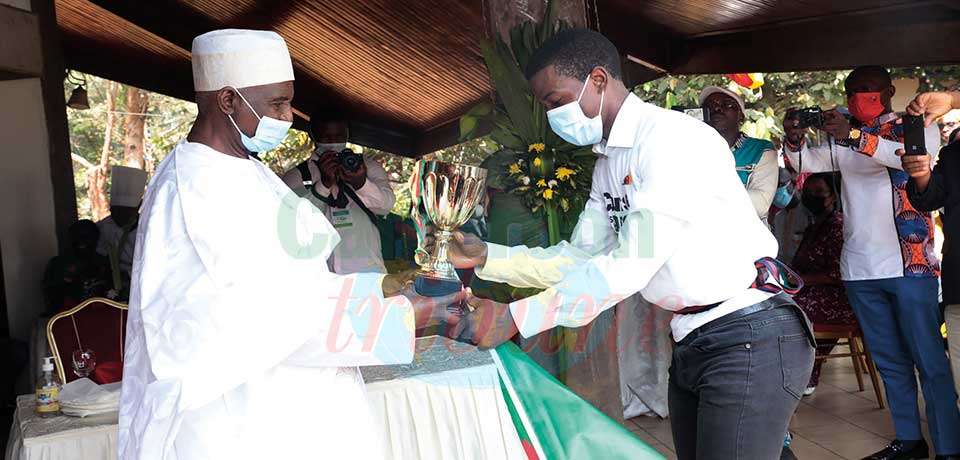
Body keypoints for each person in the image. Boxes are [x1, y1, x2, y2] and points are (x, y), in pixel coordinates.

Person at [446, 28, 815, 460]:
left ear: (598, 80)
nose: (552, 116)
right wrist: (491, 257)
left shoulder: (671, 141)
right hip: (694, 335)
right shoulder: (610, 160)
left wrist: (515, 317)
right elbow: (581, 259)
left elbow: (628, 266)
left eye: (556, 101)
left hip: (748, 332)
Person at [118, 29, 466, 460]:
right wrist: (395, 319)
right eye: (277, 103)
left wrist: (390, 294)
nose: (287, 116)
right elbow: (257, 320)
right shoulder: (194, 190)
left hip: (302, 398)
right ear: (228, 100)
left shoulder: (248, 171)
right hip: (248, 419)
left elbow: (303, 280)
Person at [782, 67, 959, 460]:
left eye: (866, 90)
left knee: (930, 362)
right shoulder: (843, 137)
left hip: (910, 266)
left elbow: (903, 159)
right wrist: (795, 134)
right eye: (851, 91)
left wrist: (851, 135)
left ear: (889, 91)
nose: (857, 97)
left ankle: (949, 448)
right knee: (890, 362)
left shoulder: (916, 125)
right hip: (860, 268)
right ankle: (909, 441)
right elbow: (801, 162)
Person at [281, 110, 396, 274]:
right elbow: (292, 224)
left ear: (348, 135)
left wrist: (361, 183)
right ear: (313, 136)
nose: (334, 143)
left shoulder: (368, 168)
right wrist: (324, 185)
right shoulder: (297, 176)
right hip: (321, 276)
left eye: (340, 136)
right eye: (327, 138)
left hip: (368, 272)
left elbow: (386, 206)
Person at [902, 90, 960, 412]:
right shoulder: (953, 156)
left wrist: (952, 99)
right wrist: (922, 174)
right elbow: (928, 198)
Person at [790, 172, 856, 395]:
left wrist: (799, 281)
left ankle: (807, 374)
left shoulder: (837, 225)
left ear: (833, 197)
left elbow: (837, 273)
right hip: (811, 292)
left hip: (838, 299)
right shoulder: (813, 227)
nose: (812, 197)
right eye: (807, 193)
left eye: (819, 193)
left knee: (792, 310)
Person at [700, 86, 779, 223]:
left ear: (741, 116)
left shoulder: (760, 150)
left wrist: (702, 194)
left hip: (746, 239)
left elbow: (760, 204)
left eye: (727, 105)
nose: (717, 109)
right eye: (710, 106)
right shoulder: (689, 148)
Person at [96, 165, 147, 299]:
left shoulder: (148, 228)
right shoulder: (104, 227)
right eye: (115, 211)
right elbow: (100, 256)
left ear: (137, 208)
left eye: (125, 212)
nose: (119, 217)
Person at [42, 220, 111, 313]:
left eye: (87, 237)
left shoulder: (105, 262)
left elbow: (114, 293)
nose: (82, 241)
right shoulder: (58, 263)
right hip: (69, 316)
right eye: (77, 236)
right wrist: (76, 281)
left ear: (96, 239)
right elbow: (52, 298)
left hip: (101, 316)